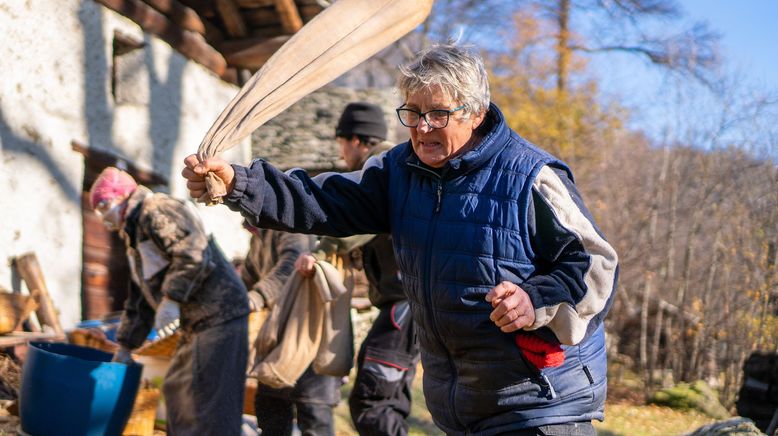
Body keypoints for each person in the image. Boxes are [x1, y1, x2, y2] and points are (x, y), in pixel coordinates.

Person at [183, 43, 619, 435]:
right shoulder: (399, 170)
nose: (422, 128)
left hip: (541, 407)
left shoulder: (530, 176)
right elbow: (322, 199)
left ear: (477, 113)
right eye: (412, 112)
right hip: (463, 407)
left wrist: (533, 301)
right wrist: (240, 183)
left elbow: (595, 266)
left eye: (438, 115)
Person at [88, 167, 250, 435]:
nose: (103, 217)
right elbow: (139, 298)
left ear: (119, 197)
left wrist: (173, 298)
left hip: (219, 314)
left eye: (103, 206)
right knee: (177, 389)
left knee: (208, 403)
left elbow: (193, 252)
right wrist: (126, 345)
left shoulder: (156, 210)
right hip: (196, 322)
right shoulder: (134, 233)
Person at [293, 102, 420, 436]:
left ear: (357, 141)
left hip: (404, 305)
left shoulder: (382, 170)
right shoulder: (390, 167)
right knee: (381, 400)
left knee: (372, 401)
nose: (341, 155)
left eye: (341, 144)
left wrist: (324, 250)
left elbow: (361, 219)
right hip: (401, 303)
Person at [240, 221, 341, 436]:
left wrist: (257, 297)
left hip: (307, 330)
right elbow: (248, 277)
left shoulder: (288, 226)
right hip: (278, 336)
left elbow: (291, 265)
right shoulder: (259, 235)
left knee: (313, 413)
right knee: (270, 409)